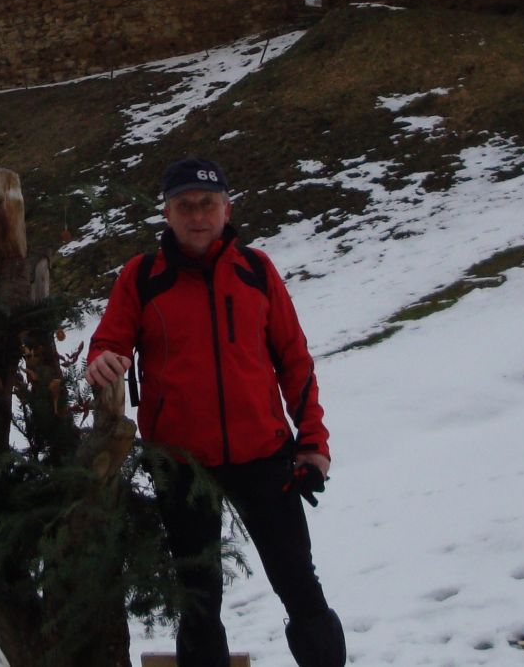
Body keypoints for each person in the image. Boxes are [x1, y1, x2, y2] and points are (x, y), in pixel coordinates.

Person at [85, 156, 345, 667]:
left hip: (264, 454)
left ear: (227, 209)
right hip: (182, 464)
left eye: (208, 204)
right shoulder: (142, 276)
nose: (198, 215)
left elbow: (294, 359)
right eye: (185, 205)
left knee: (299, 584)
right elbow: (108, 340)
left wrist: (313, 443)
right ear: (167, 213)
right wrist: (102, 360)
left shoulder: (256, 270)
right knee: (198, 602)